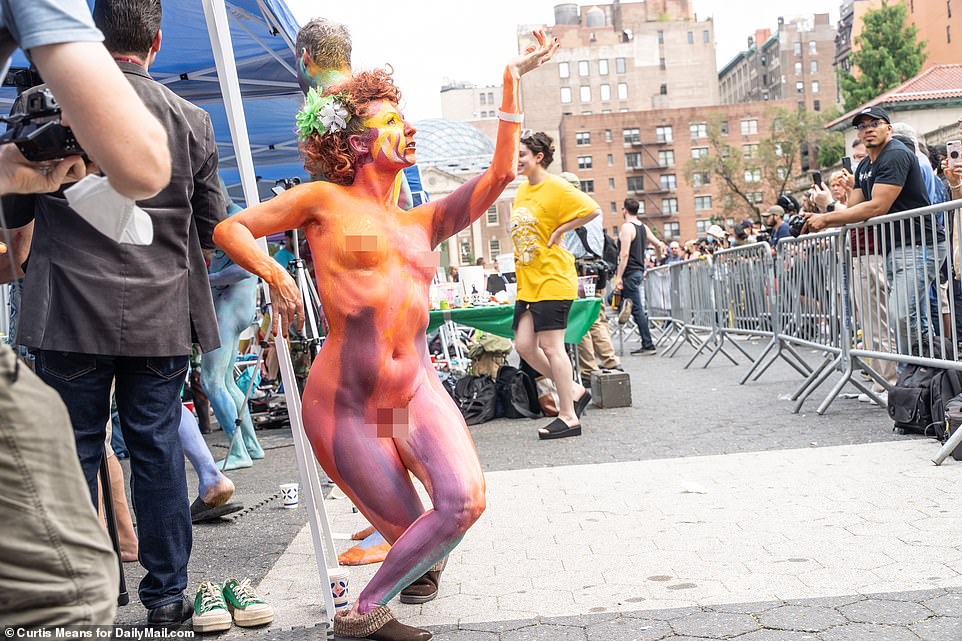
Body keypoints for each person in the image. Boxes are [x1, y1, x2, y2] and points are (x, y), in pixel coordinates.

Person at [213, 31, 559, 641]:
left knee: (461, 506)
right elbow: (230, 229)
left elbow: (503, 170)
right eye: (395, 120)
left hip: (411, 396)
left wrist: (511, 76)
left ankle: (362, 610)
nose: (410, 130)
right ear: (355, 143)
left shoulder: (424, 221)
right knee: (418, 533)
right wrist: (274, 274)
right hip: (349, 408)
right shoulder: (322, 200)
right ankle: (394, 588)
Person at [3, 0, 224, 625]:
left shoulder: (45, 104)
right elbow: (213, 227)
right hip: (160, 314)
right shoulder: (192, 120)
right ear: (156, 42)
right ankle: (165, 596)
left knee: (73, 453)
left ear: (95, 35)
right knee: (155, 451)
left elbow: (14, 214)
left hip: (66, 311)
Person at [805, 105, 945, 357]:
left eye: (874, 124)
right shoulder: (864, 167)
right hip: (894, 247)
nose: (868, 130)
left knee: (900, 314)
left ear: (888, 128)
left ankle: (926, 366)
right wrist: (823, 211)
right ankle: (916, 380)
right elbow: (854, 208)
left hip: (920, 245)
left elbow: (878, 206)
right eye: (862, 126)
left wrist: (826, 218)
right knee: (909, 317)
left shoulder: (895, 154)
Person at [511, 132, 599, 440]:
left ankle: (568, 415)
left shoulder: (556, 186)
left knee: (551, 346)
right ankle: (573, 389)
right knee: (523, 345)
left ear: (538, 157)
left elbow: (592, 208)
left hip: (552, 278)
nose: (517, 159)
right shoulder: (522, 190)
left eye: (522, 154)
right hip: (528, 281)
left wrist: (562, 228)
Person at [559, 171, 622, 386]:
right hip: (597, 269)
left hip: (578, 271)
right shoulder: (594, 207)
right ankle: (611, 361)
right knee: (598, 317)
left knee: (580, 320)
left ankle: (588, 369)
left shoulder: (566, 210)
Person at [613, 198, 666, 355]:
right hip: (637, 272)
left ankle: (648, 344)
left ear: (624, 210)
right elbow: (658, 245)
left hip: (630, 273)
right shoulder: (643, 227)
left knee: (637, 310)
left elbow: (624, 254)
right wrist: (657, 259)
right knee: (613, 299)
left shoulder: (627, 228)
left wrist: (619, 277)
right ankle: (624, 309)